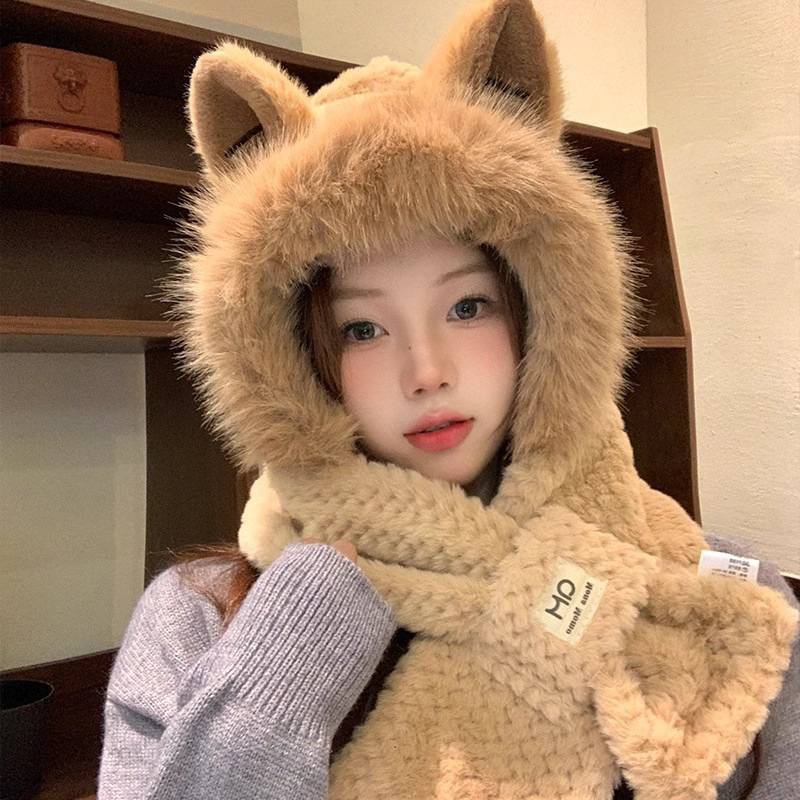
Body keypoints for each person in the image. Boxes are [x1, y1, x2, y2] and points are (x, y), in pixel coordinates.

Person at [98, 1, 799, 798]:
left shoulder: (716, 600)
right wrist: (288, 657)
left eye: (468, 307)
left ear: (545, 309)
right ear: (288, 359)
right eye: (361, 329)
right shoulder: (197, 622)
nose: (425, 372)